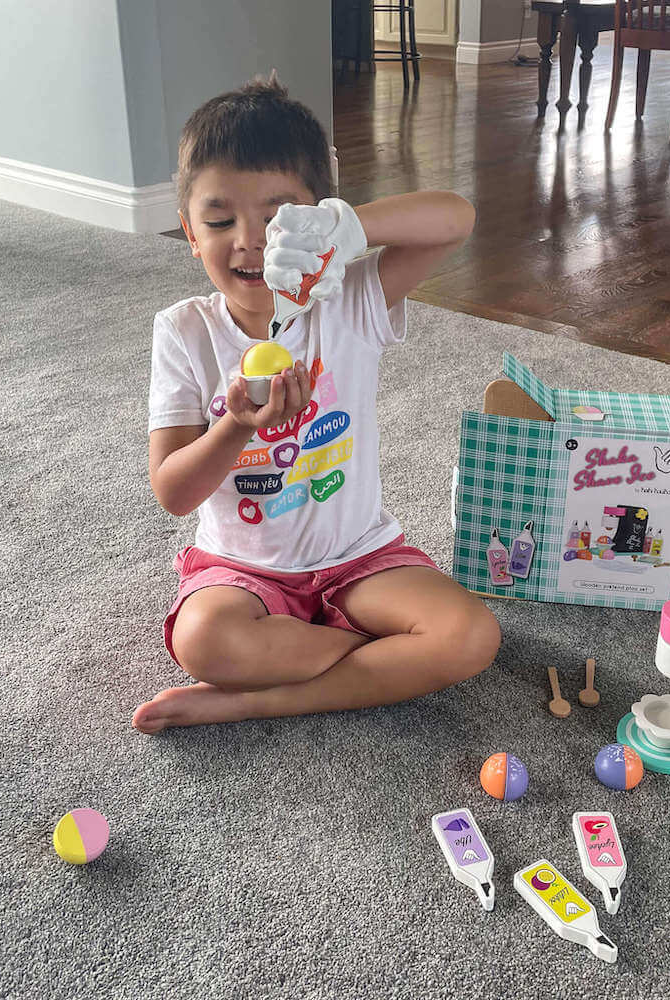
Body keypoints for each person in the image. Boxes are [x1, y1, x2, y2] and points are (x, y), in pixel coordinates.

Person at [132, 73, 500, 734]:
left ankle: (256, 700)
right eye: (220, 220)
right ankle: (383, 662)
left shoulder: (348, 298)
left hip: (360, 560)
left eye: (278, 220)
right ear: (190, 231)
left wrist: (351, 228)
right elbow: (173, 492)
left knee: (472, 635)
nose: (249, 239)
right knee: (203, 643)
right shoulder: (183, 330)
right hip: (243, 571)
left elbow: (457, 220)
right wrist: (234, 431)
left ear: (317, 219)